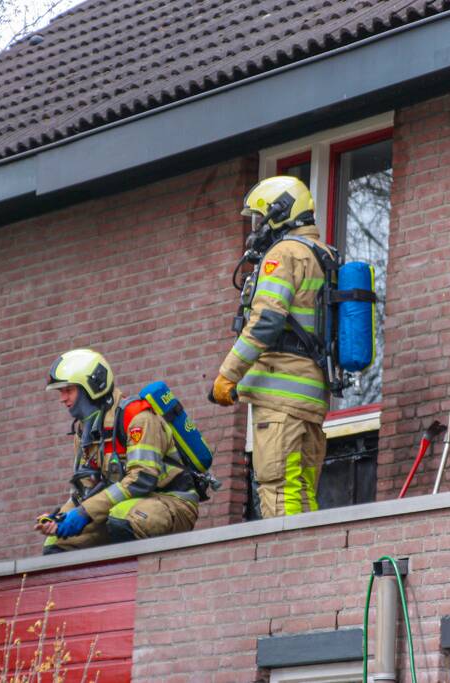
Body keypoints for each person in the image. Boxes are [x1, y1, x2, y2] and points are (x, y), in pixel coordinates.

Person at [210, 176, 330, 518]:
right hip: (311, 398)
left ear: (281, 212)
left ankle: (286, 565)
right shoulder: (324, 255)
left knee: (277, 489)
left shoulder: (284, 253)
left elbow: (266, 321)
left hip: (279, 397)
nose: (258, 226)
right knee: (301, 491)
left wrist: (227, 375)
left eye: (262, 217)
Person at [36, 348, 198, 554]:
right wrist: (60, 520)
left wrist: (85, 513)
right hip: (121, 507)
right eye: (61, 392)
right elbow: (85, 491)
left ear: (92, 385)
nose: (62, 398)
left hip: (171, 501)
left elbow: (142, 479)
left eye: (68, 390)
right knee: (56, 543)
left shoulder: (137, 417)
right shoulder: (85, 434)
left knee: (122, 518)